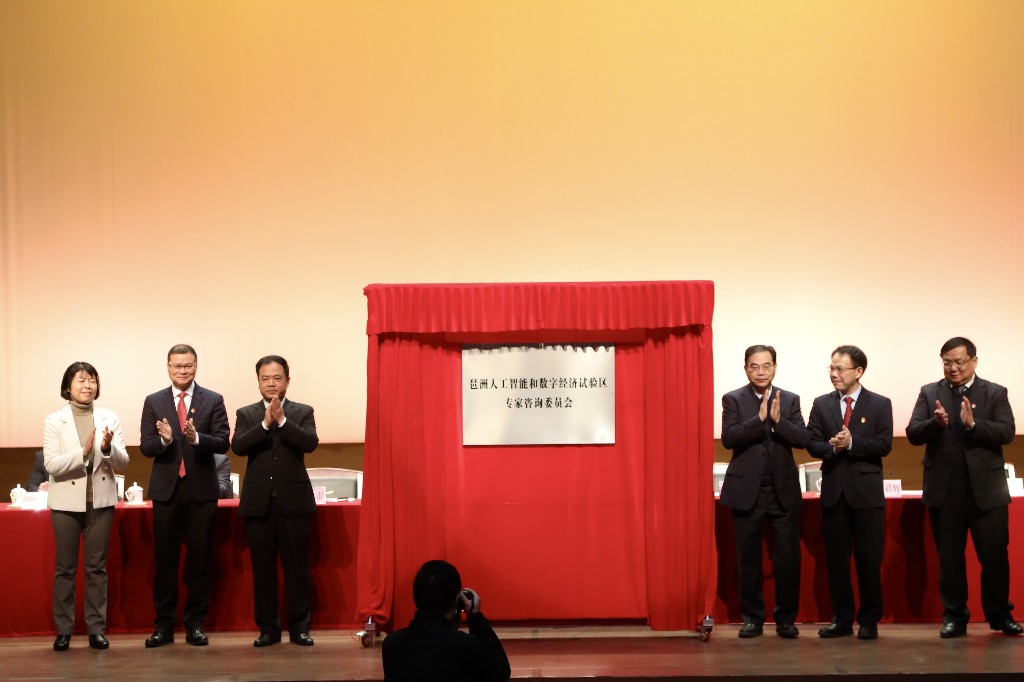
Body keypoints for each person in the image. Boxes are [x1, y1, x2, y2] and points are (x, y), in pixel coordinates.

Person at [906, 337, 1021, 638]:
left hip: (987, 492)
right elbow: (913, 432)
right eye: (947, 362)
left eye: (959, 362)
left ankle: (1000, 615)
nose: (953, 368)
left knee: (994, 558)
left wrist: (973, 425)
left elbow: (1007, 432)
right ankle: (954, 617)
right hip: (945, 492)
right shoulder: (930, 392)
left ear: (974, 361)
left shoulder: (994, 392)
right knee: (950, 560)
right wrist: (935, 423)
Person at [139, 344, 230, 648]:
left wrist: (198, 438)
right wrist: (165, 441)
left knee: (199, 561)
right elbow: (146, 446)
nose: (182, 370)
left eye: (188, 365)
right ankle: (163, 627)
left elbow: (223, 441)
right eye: (177, 366)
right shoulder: (154, 401)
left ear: (196, 366)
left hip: (201, 491)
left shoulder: (213, 399)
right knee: (165, 562)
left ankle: (195, 625)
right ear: (168, 367)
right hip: (166, 492)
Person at [719, 344, 808, 639]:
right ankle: (752, 619)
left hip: (782, 492)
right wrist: (758, 420)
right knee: (748, 560)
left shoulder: (790, 399)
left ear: (775, 367)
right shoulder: (733, 399)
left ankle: (786, 619)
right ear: (745, 368)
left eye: (766, 366)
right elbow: (729, 438)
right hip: (747, 492)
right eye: (754, 366)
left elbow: (803, 439)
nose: (761, 372)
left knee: (787, 560)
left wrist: (779, 421)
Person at [807, 345, 893, 640]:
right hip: (834, 493)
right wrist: (832, 447)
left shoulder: (880, 404)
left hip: (866, 495)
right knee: (837, 561)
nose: (834, 374)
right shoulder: (822, 404)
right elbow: (811, 442)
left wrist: (853, 443)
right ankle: (841, 619)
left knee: (869, 560)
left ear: (859, 371)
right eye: (831, 368)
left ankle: (869, 620)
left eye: (840, 369)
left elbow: (884, 445)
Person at [232, 356, 319, 647]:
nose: (271, 383)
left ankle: (300, 628)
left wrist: (281, 421)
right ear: (258, 382)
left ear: (287, 381)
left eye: (277, 378)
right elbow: (238, 446)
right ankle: (268, 629)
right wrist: (265, 424)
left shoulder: (302, 411)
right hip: (259, 503)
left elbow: (309, 443)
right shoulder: (246, 414)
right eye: (265, 378)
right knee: (263, 570)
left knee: (297, 569)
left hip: (294, 502)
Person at [43, 362, 129, 651]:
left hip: (100, 501)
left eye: (92, 380)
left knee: (96, 567)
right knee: (65, 568)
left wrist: (106, 448)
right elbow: (51, 464)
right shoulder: (54, 420)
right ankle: (63, 631)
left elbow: (123, 462)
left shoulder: (109, 417)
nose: (87, 385)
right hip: (65, 503)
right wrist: (82, 452)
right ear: (68, 387)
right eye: (81, 380)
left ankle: (96, 629)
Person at [382, 560, 511, 682]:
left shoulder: (391, 644)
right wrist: (475, 617)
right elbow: (501, 671)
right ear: (457, 600)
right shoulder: (464, 645)